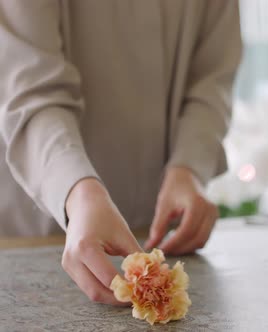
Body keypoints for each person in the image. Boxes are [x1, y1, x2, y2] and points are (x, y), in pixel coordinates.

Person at [0, 1, 242, 305]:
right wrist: (78, 192)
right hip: (34, 237)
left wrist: (189, 169)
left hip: (152, 230)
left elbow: (211, 80)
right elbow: (31, 91)